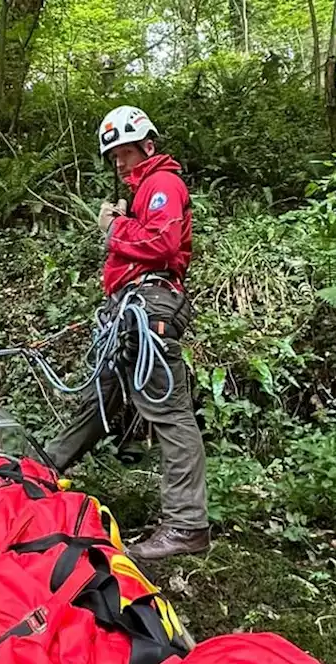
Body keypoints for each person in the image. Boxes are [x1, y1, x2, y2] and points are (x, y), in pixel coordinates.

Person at [44, 105, 209, 561]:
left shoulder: (162, 184)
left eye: (125, 153)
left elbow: (164, 244)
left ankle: (186, 524)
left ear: (147, 147)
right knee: (101, 396)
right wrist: (125, 221)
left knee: (168, 410)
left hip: (151, 304)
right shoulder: (144, 190)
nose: (119, 163)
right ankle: (45, 466)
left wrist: (115, 227)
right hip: (131, 306)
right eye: (113, 155)